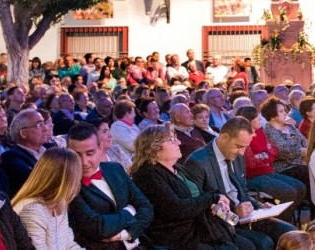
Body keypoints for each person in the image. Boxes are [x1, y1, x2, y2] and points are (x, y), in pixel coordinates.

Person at [130, 124, 252, 250]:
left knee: (250, 245)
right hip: (179, 237)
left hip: (202, 228)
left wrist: (219, 201)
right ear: (154, 147)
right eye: (171, 140)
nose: (178, 142)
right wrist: (212, 199)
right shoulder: (147, 175)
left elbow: (201, 194)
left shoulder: (178, 168)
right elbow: (177, 209)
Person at [184, 117, 295, 250]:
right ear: (224, 137)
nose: (242, 152)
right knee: (263, 243)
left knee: (290, 234)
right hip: (221, 223)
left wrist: (258, 204)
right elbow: (199, 205)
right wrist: (233, 212)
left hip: (246, 217)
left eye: (245, 147)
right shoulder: (198, 162)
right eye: (239, 146)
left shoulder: (237, 156)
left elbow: (242, 191)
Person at [67, 123, 153, 250]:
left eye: (90, 153)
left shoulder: (115, 169)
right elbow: (98, 227)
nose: (84, 162)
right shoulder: (67, 184)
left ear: (100, 148)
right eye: (77, 155)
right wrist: (130, 211)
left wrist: (127, 234)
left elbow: (146, 207)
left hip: (138, 243)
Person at [236, 106, 305, 221]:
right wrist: (266, 155)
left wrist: (263, 156)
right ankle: (281, 221)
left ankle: (288, 218)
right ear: (248, 120)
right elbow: (251, 163)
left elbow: (274, 151)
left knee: (300, 188)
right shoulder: (244, 137)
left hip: (268, 171)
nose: (260, 119)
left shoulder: (260, 132)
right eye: (257, 117)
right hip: (253, 176)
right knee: (288, 192)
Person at [11, 148, 84, 250]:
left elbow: (68, 245)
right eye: (77, 176)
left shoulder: (59, 202)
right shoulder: (32, 210)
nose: (79, 180)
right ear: (65, 180)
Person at [262, 99, 310, 190]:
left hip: (300, 162)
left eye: (284, 110)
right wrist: (304, 151)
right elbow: (286, 152)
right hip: (285, 167)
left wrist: (308, 150)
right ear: (272, 116)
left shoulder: (289, 126)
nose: (285, 113)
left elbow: (305, 142)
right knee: (306, 171)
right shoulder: (269, 132)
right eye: (281, 111)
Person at [1, 110, 48, 197]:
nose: (45, 129)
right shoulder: (11, 158)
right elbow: (36, 182)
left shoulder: (50, 150)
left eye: (44, 123)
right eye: (39, 125)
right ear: (23, 133)